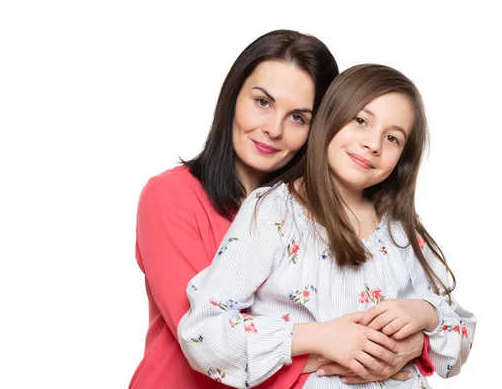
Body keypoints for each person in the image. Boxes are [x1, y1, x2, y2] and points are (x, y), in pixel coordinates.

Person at [130, 31, 428, 389]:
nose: (273, 129)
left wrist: (416, 342)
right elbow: (201, 336)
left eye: (299, 117)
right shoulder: (171, 196)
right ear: (232, 96)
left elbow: (405, 303)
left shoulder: (334, 213)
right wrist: (358, 351)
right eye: (262, 102)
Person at [179, 64, 476, 388]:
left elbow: (459, 340)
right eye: (361, 121)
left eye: (392, 138)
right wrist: (316, 338)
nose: (373, 144)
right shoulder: (273, 213)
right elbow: (203, 333)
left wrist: (424, 315)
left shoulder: (398, 230)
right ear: (329, 117)